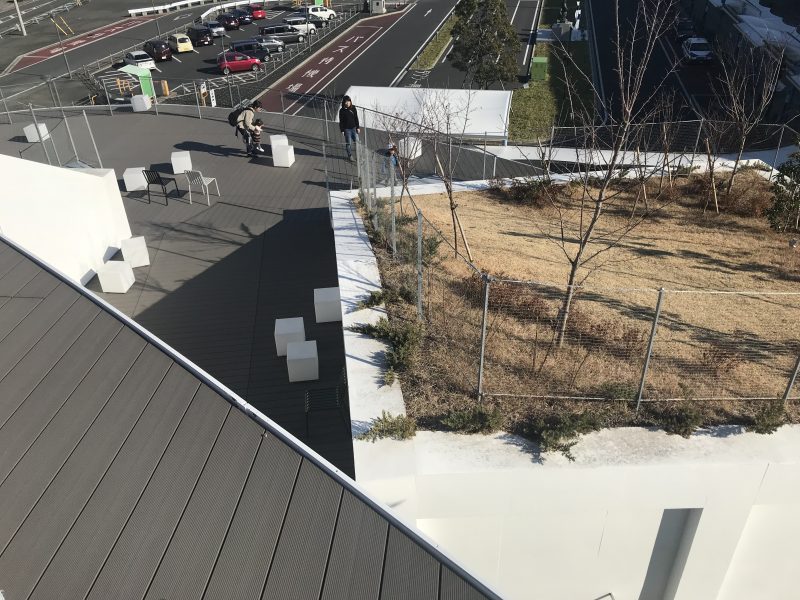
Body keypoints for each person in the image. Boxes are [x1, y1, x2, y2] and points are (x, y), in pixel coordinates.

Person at [338, 95, 360, 161]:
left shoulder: (353, 108)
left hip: (354, 128)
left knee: (357, 143)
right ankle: (350, 155)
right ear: (344, 102)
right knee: (349, 143)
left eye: (349, 101)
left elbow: (356, 118)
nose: (347, 103)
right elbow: (341, 121)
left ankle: (359, 156)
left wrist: (358, 127)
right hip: (347, 130)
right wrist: (342, 130)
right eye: (346, 102)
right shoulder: (341, 111)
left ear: (350, 102)